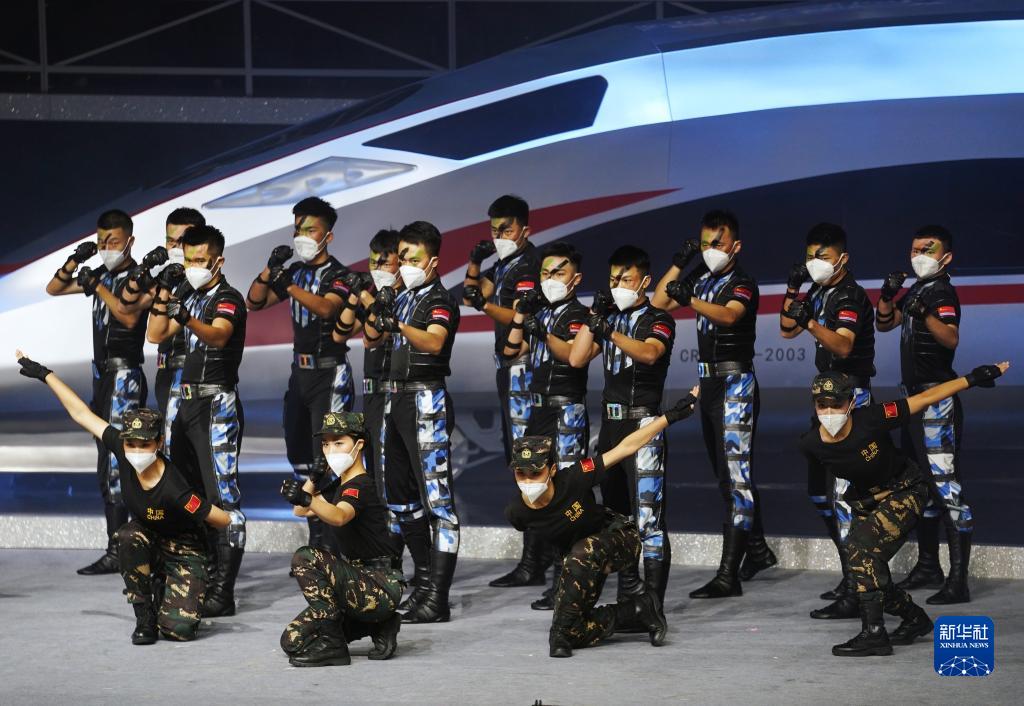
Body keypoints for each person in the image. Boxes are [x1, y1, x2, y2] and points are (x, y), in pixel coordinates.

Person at [15, 352, 232, 644]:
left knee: (178, 631)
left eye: (145, 444)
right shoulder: (121, 448)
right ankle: (144, 617)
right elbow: (82, 414)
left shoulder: (174, 488)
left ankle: (169, 587)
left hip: (183, 548)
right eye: (131, 443)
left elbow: (223, 519)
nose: (136, 451)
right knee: (128, 536)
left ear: (159, 443)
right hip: (149, 539)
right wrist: (45, 375)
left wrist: (204, 518)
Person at [798, 363, 1008, 657]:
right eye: (822, 405)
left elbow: (924, 398)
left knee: (860, 552)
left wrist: (971, 379)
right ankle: (914, 618)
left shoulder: (872, 418)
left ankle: (874, 634)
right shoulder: (810, 444)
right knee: (864, 567)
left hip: (906, 490)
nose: (829, 412)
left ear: (851, 403)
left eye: (837, 404)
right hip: (868, 501)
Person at [506, 389, 699, 658]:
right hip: (580, 562)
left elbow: (625, 447)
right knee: (571, 631)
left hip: (618, 538)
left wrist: (671, 416)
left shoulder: (574, 478)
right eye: (521, 473)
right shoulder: (517, 512)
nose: (528, 481)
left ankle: (568, 628)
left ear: (551, 470)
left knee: (578, 563)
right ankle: (638, 610)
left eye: (535, 473)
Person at [652, 209, 776, 598]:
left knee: (736, 477)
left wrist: (690, 298)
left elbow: (728, 316)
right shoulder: (701, 277)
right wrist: (680, 263)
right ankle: (758, 550)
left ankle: (728, 576)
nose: (710, 250)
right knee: (726, 476)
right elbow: (659, 301)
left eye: (717, 244)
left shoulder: (743, 283)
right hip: (708, 384)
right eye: (705, 243)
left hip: (736, 383)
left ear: (735, 246)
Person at [147, 224, 248, 617]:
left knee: (223, 497)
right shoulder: (187, 293)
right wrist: (164, 292)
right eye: (189, 259)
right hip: (185, 405)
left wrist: (186, 317)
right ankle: (199, 577)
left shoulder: (228, 298)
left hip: (216, 404)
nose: (193, 266)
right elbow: (156, 334)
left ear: (219, 261)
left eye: (201, 260)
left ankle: (224, 592)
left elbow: (219, 336)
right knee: (190, 495)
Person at [364, 221, 461, 623]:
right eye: (402, 256)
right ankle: (423, 583)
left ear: (433, 261)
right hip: (394, 398)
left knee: (438, 503)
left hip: (426, 399)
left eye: (413, 258)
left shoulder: (441, 299)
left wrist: (399, 325)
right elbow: (370, 338)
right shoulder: (401, 296)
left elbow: (434, 341)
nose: (404, 263)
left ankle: (438, 598)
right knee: (400, 498)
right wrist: (380, 306)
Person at [569, 245, 676, 610]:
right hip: (611, 426)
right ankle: (628, 593)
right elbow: (576, 358)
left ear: (645, 282)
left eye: (626, 280)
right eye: (613, 279)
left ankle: (654, 605)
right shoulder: (610, 317)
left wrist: (610, 332)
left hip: (643, 424)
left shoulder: (659, 318)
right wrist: (595, 317)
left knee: (648, 517)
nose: (618, 286)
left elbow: (650, 353)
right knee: (615, 516)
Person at [45, 208, 151, 575]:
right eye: (101, 241)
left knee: (119, 463)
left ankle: (123, 548)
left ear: (130, 242)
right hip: (101, 376)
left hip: (124, 376)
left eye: (113, 242)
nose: (106, 247)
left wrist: (98, 285)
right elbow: (54, 288)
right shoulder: (101, 274)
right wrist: (76, 260)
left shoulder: (140, 278)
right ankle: (119, 545)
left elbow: (128, 315)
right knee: (105, 460)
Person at [780, 222, 876, 619]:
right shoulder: (818, 291)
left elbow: (844, 344)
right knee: (820, 492)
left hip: (851, 400)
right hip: (826, 400)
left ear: (842, 258)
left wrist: (811, 322)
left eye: (822, 256)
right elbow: (786, 330)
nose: (814, 262)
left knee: (846, 497)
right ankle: (849, 575)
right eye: (810, 256)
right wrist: (792, 291)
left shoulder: (850, 295)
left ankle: (858, 591)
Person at [246, 197, 351, 551]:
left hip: (329, 375)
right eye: (297, 230)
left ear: (328, 236)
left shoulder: (339, 275)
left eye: (310, 230)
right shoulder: (295, 271)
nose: (302, 236)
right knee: (300, 455)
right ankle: (316, 540)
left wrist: (288, 286)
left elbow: (327, 309)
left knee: (328, 458)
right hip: (299, 374)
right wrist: (269, 270)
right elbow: (253, 302)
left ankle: (334, 547)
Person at [876, 225, 972, 604]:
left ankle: (959, 580)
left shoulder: (942, 292)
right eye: (915, 249)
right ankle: (929, 565)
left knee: (946, 487)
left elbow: (950, 337)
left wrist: (926, 315)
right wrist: (887, 297)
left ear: (946, 257)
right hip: (912, 403)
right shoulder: (918, 289)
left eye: (927, 250)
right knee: (921, 485)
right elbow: (885, 324)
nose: (919, 256)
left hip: (937, 400)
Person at [500, 242, 591, 609]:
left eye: (559, 272)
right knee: (535, 489)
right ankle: (541, 569)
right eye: (545, 273)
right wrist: (522, 315)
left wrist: (541, 330)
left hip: (566, 411)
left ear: (575, 278)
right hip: (536, 411)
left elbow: (571, 355)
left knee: (566, 494)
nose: (550, 279)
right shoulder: (542, 313)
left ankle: (566, 582)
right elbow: (510, 351)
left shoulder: (579, 315)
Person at [462, 195, 545, 589]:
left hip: (523, 369)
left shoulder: (530, 265)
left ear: (524, 229)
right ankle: (536, 557)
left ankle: (536, 560)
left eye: (506, 230)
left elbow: (518, 315)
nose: (499, 236)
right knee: (520, 461)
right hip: (505, 369)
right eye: (494, 230)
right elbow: (471, 294)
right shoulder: (502, 264)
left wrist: (483, 304)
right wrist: (474, 263)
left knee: (530, 461)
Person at [279, 412, 404, 667]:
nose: (330, 450)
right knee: (292, 640)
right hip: (355, 585)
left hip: (379, 585)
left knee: (306, 557)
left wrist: (306, 497)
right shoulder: (339, 486)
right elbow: (300, 511)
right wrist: (313, 479)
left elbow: (339, 516)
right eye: (326, 444)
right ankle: (379, 625)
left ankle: (334, 646)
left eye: (339, 442)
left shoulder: (360, 485)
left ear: (359, 445)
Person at [332, 229, 406, 567]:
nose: (377, 268)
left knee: (392, 480)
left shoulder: (402, 300)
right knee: (375, 476)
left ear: (401, 263)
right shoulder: (372, 296)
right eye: (373, 262)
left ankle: (397, 559)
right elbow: (340, 333)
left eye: (384, 263)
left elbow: (374, 335)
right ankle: (381, 554)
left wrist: (365, 295)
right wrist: (353, 294)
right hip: (372, 394)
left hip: (394, 392)